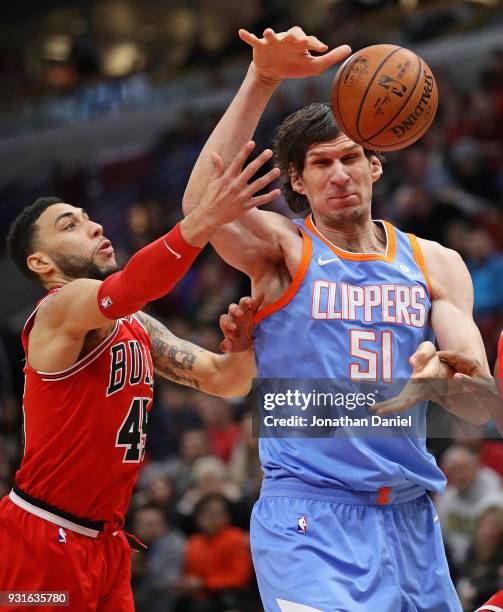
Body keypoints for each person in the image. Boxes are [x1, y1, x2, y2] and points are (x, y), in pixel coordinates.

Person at [183, 26, 492, 611]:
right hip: (309, 520)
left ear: (376, 165)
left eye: (351, 157)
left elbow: (477, 404)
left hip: (410, 519)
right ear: (297, 181)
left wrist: (443, 378)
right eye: (321, 164)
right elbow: (201, 208)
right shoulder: (283, 249)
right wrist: (262, 77)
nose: (339, 173)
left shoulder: (438, 264)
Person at [0, 142, 278, 611]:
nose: (94, 225)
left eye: (88, 217)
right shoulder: (57, 310)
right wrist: (204, 219)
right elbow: (130, 287)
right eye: (70, 226)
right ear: (42, 264)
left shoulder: (136, 325)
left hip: (107, 541)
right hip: (43, 536)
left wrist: (246, 346)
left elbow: (223, 380)